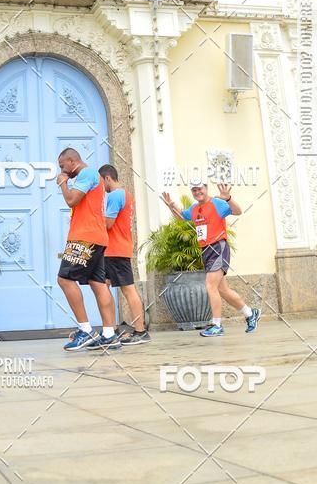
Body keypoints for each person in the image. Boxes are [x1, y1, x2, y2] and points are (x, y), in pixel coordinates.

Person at [161, 182, 260, 337]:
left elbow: (238, 211)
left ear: (206, 189)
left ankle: (216, 324)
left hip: (218, 248)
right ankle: (250, 313)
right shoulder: (194, 209)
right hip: (206, 250)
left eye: (200, 189)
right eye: (194, 190)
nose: (197, 192)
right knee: (223, 290)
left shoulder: (217, 203)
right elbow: (181, 217)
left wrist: (229, 199)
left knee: (210, 285)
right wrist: (171, 206)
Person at [56, 148, 119, 351]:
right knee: (98, 283)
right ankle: (109, 334)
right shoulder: (92, 177)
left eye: (63, 166)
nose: (62, 170)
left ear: (72, 161)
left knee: (64, 279)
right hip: (97, 236)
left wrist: (62, 183)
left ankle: (85, 331)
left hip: (84, 238)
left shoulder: (87, 173)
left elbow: (71, 200)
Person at [99, 164, 150, 345]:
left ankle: (140, 331)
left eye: (100, 181)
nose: (100, 187)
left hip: (115, 251)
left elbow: (108, 224)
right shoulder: (126, 195)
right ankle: (111, 329)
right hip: (115, 250)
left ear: (107, 178)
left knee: (128, 289)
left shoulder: (114, 195)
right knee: (102, 287)